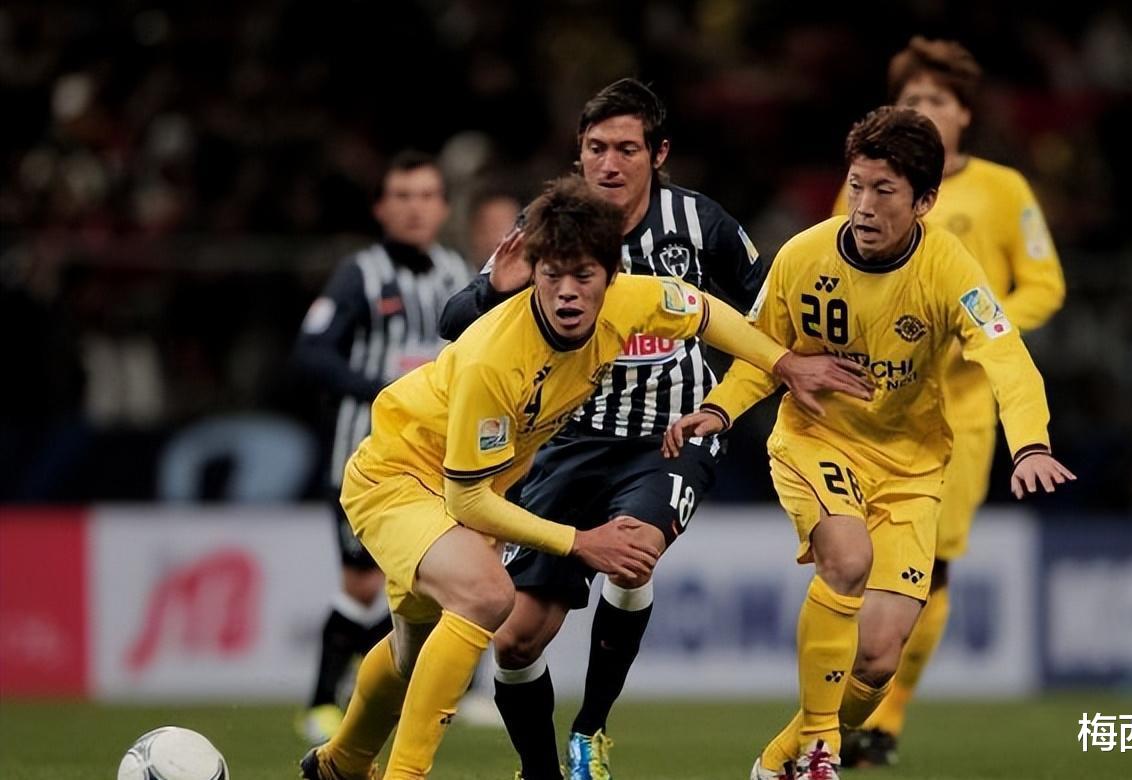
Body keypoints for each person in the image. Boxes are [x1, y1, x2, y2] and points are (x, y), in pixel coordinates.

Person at [299, 175, 865, 780]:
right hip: (401, 478)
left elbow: (703, 312)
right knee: (487, 596)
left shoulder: (631, 300)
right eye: (552, 275)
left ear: (612, 275)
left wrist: (784, 363)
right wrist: (580, 541)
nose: (568, 292)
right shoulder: (495, 359)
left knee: (412, 652)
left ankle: (341, 762)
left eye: (584, 276)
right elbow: (466, 501)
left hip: (466, 483)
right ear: (532, 273)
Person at [439, 79, 858, 780]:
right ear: (578, 153)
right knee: (515, 640)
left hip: (672, 435)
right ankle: (540, 770)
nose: (609, 163)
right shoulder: (549, 226)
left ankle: (591, 731)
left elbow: (765, 314)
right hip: (568, 440)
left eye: (627, 149)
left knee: (632, 553)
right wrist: (493, 287)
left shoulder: (701, 224)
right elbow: (455, 325)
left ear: (658, 154)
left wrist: (757, 386)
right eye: (596, 148)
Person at [665, 106, 1075, 780]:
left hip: (911, 467)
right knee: (848, 558)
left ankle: (781, 760)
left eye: (885, 191)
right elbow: (761, 353)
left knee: (879, 659)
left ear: (924, 202)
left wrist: (1030, 444)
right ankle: (820, 749)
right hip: (817, 438)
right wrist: (719, 408)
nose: (864, 205)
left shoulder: (949, 268)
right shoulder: (803, 256)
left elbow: (1006, 358)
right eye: (857, 185)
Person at [829, 37, 1066, 767]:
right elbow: (836, 271)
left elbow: (1044, 285)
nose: (925, 109)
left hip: (957, 414)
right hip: (869, 408)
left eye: (938, 99)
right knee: (852, 562)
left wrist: (978, 332)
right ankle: (839, 703)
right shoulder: (869, 187)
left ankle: (882, 720)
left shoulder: (1003, 190)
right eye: (913, 99)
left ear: (964, 113)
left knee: (926, 568)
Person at [291, 150, 475, 744]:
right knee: (364, 584)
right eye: (402, 196)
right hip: (365, 459)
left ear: (443, 207)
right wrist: (386, 390)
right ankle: (323, 702)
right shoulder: (359, 274)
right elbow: (312, 353)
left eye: (426, 196)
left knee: (432, 583)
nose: (415, 208)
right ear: (380, 207)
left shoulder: (458, 272)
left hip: (441, 461)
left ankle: (404, 693)